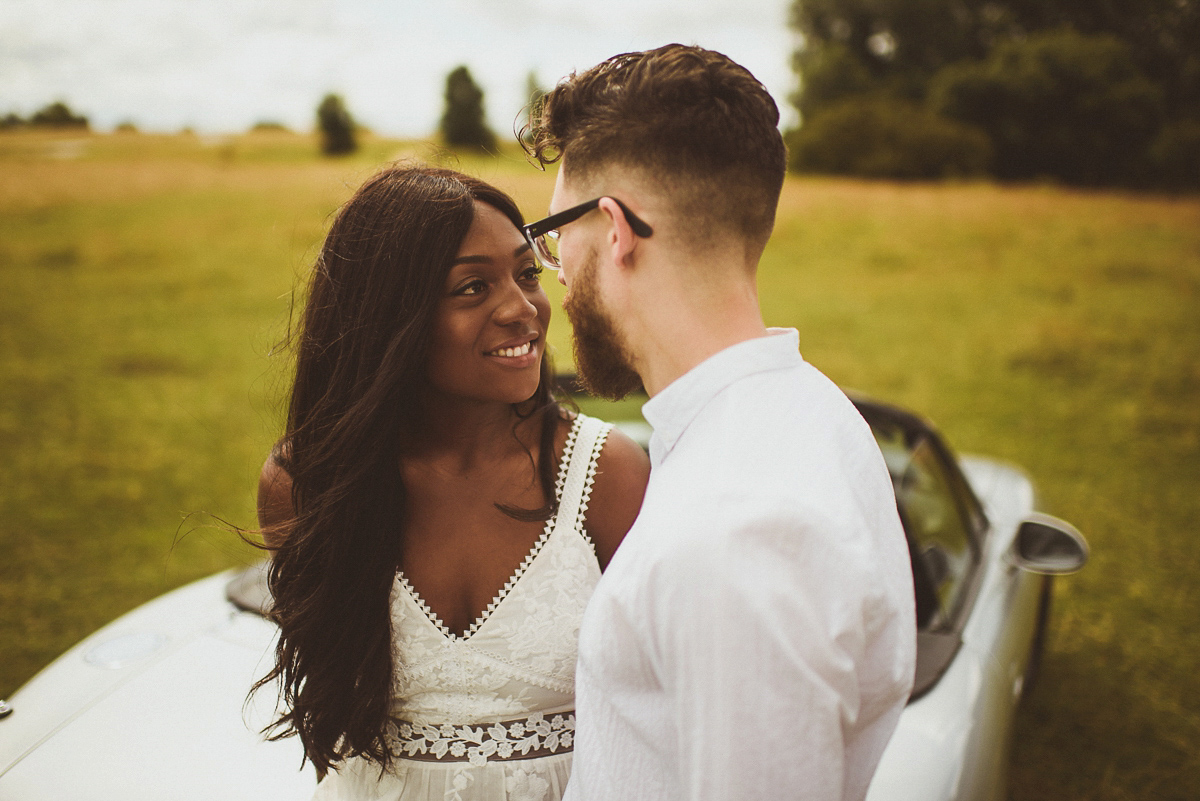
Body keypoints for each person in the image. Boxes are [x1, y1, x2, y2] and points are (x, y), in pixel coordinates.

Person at [522, 45, 917, 800]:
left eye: (553, 237)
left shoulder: (732, 535)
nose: (557, 273)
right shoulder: (807, 408)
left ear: (613, 229)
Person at [253, 164, 650, 801]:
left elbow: (659, 708)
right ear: (391, 316)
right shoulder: (308, 484)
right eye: (472, 288)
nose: (523, 310)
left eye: (527, 274)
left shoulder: (605, 475)